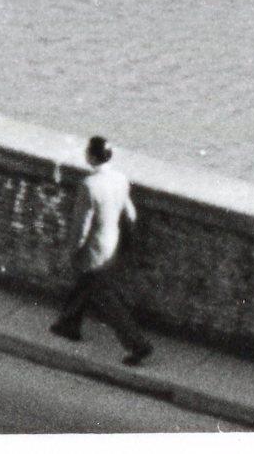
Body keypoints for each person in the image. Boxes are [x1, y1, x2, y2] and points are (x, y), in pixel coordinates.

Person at [49, 134, 155, 366]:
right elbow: (130, 214)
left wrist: (71, 250)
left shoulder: (89, 186)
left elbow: (81, 226)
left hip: (93, 250)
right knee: (87, 284)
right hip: (111, 244)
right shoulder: (120, 179)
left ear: (91, 157)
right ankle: (68, 324)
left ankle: (138, 345)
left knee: (104, 296)